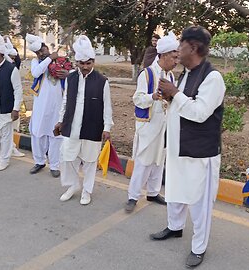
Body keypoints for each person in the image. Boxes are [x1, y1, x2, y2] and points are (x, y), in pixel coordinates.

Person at [149, 26, 226, 268]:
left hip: (200, 153)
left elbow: (200, 112)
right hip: (179, 147)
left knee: (199, 203)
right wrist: (171, 96)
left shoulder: (212, 78)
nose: (176, 49)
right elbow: (182, 106)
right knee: (176, 191)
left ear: (193, 47)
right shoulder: (187, 74)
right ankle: (175, 227)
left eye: (180, 44)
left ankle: (199, 247)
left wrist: (175, 94)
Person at [54, 35, 113, 205]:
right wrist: (60, 120)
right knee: (68, 157)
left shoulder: (102, 81)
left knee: (89, 161)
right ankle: (73, 185)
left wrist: (107, 127)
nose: (85, 66)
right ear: (77, 62)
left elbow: (107, 106)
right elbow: (65, 101)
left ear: (93, 62)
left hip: (92, 127)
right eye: (82, 63)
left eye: (89, 63)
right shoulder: (71, 78)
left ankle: (87, 190)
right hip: (71, 126)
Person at [125, 31, 179, 213]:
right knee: (144, 161)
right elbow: (137, 98)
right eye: (174, 57)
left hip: (164, 124)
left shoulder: (170, 76)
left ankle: (153, 192)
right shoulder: (147, 74)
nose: (176, 61)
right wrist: (153, 96)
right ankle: (133, 196)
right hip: (148, 125)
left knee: (159, 160)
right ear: (163, 55)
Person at [26, 33, 68, 177]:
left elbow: (72, 74)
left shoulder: (61, 61)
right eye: (37, 52)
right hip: (40, 105)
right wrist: (49, 58)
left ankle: (55, 165)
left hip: (57, 105)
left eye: (42, 50)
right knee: (38, 133)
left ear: (46, 47)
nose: (40, 53)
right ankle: (39, 161)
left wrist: (67, 74)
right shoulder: (36, 63)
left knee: (56, 135)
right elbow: (36, 73)